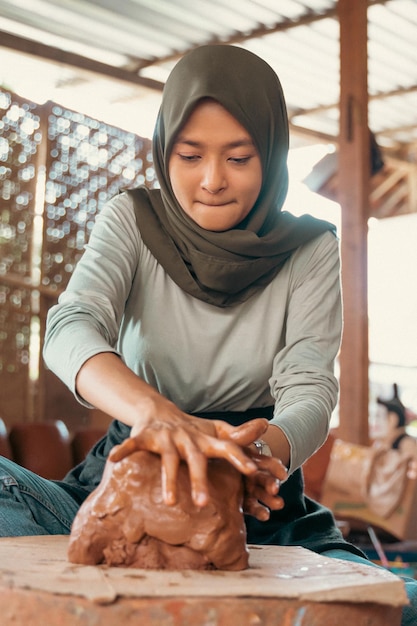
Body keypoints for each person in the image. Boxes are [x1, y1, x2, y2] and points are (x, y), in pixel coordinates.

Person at [0, 44, 416, 623]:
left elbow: (310, 389)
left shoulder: (310, 248)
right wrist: (155, 416)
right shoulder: (132, 220)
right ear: (165, 149)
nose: (213, 180)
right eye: (191, 155)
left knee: (396, 607)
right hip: (124, 479)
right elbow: (71, 326)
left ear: (271, 156)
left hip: (262, 500)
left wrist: (252, 459)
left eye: (240, 159)